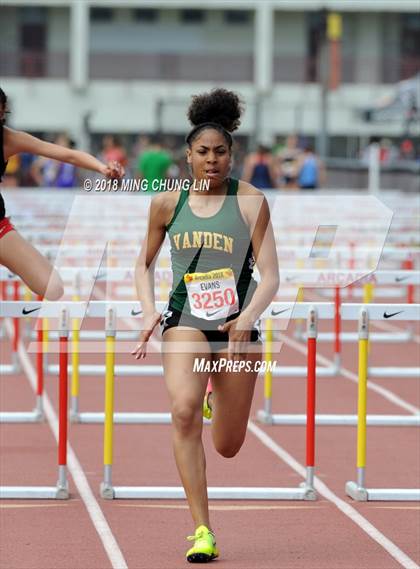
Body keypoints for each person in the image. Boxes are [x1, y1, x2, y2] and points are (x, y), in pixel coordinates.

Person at [132, 88, 279, 563]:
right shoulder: (166, 204)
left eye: (220, 153)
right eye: (202, 153)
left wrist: (248, 316)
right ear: (188, 156)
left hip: (237, 328)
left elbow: (272, 276)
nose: (211, 161)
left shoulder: (252, 201)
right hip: (186, 323)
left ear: (232, 155)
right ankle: (202, 530)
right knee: (182, 410)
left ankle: (218, 395)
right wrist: (149, 307)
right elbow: (143, 265)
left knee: (229, 445)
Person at [0, 86, 124, 300]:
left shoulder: (9, 139)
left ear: (3, 113)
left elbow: (68, 155)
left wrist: (102, 168)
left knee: (53, 287)